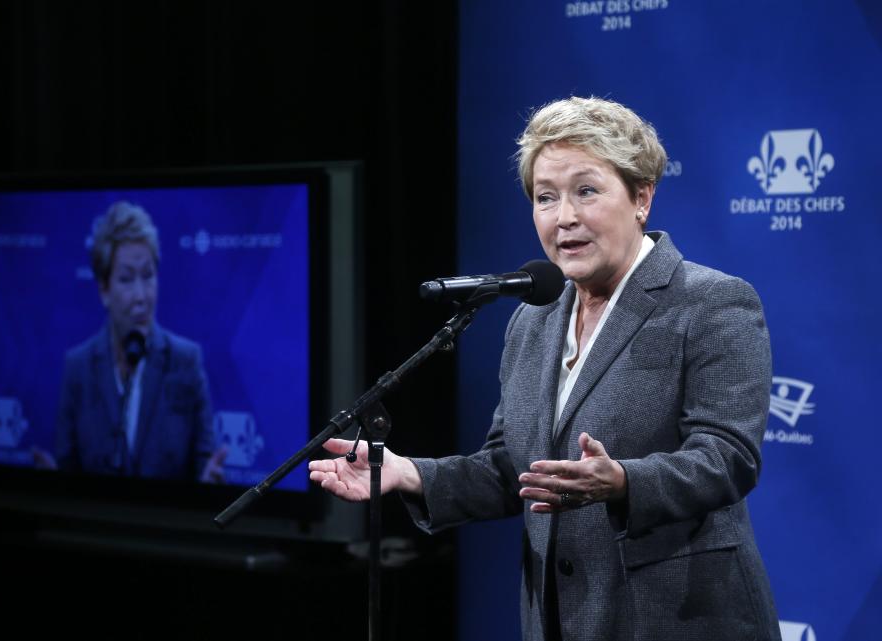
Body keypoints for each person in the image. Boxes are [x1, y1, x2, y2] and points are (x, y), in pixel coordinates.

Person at [309, 97, 781, 640]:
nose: (565, 218)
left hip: (679, 617)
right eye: (545, 197)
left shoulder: (710, 302)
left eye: (587, 191)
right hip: (558, 620)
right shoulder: (533, 321)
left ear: (642, 197)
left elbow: (727, 457)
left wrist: (624, 481)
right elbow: (513, 469)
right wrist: (409, 474)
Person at [35, 201, 227, 482]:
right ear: (103, 289)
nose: (141, 296)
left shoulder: (186, 360)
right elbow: (69, 472)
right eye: (126, 279)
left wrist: (210, 483)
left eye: (148, 276)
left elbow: (203, 465)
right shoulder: (78, 366)